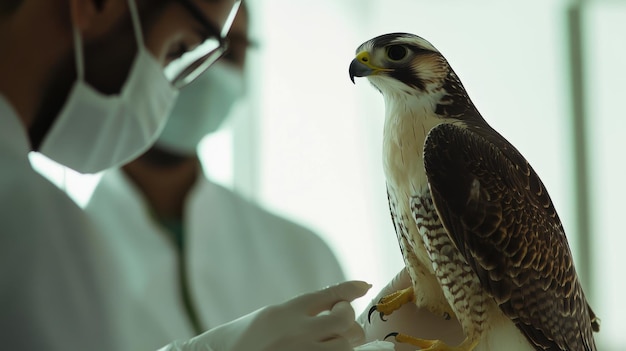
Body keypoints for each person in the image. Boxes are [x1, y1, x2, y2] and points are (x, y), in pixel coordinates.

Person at [0, 1, 369, 350]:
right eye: (182, 48)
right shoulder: (38, 220)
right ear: (97, 4)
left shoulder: (303, 252)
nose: (199, 75)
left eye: (234, 54)